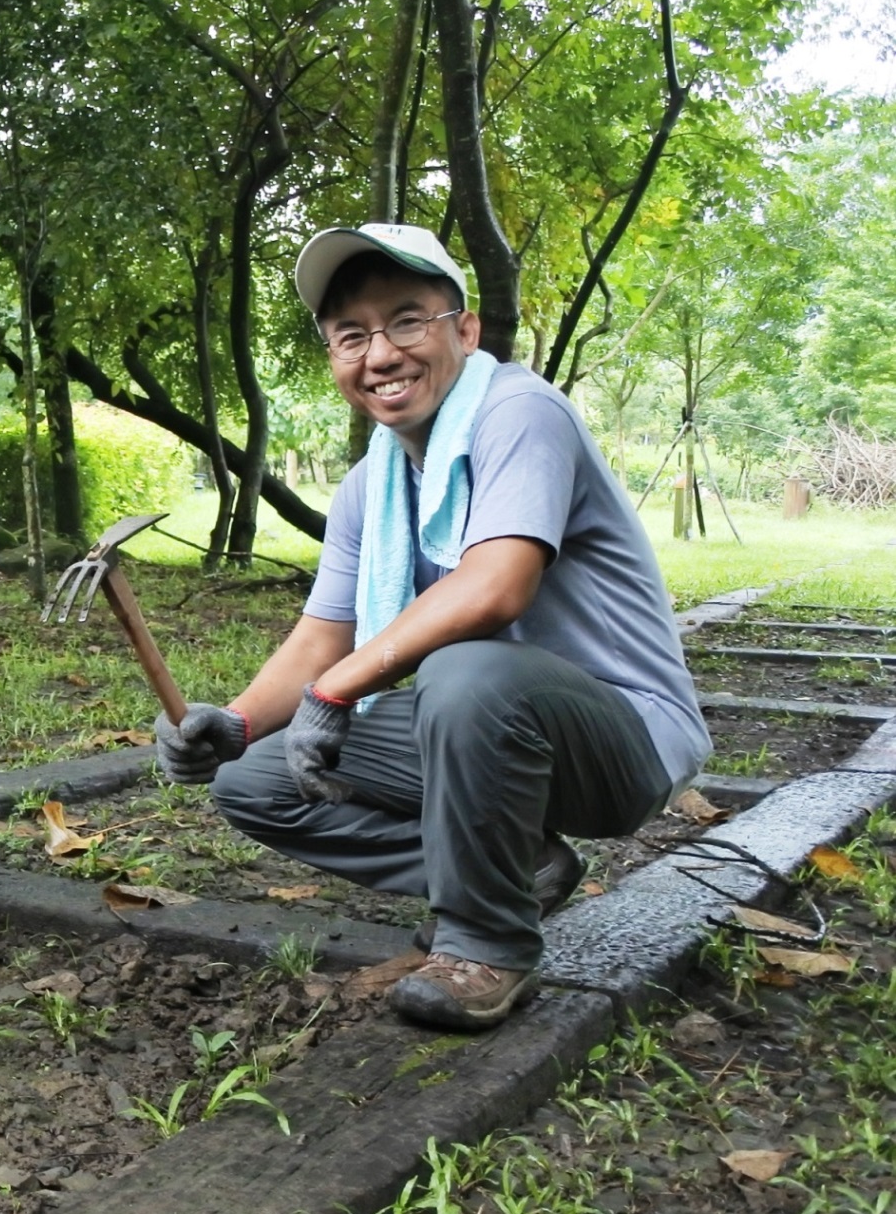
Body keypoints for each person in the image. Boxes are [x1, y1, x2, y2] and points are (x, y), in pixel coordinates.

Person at [157, 224, 707, 1032]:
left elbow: (493, 588)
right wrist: (235, 723)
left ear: (465, 329)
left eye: (406, 321)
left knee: (463, 670)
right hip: (483, 729)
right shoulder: (369, 486)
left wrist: (335, 691)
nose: (380, 354)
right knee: (257, 780)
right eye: (351, 335)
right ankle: (515, 870)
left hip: (622, 737)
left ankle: (485, 944)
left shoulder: (519, 413)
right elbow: (323, 634)